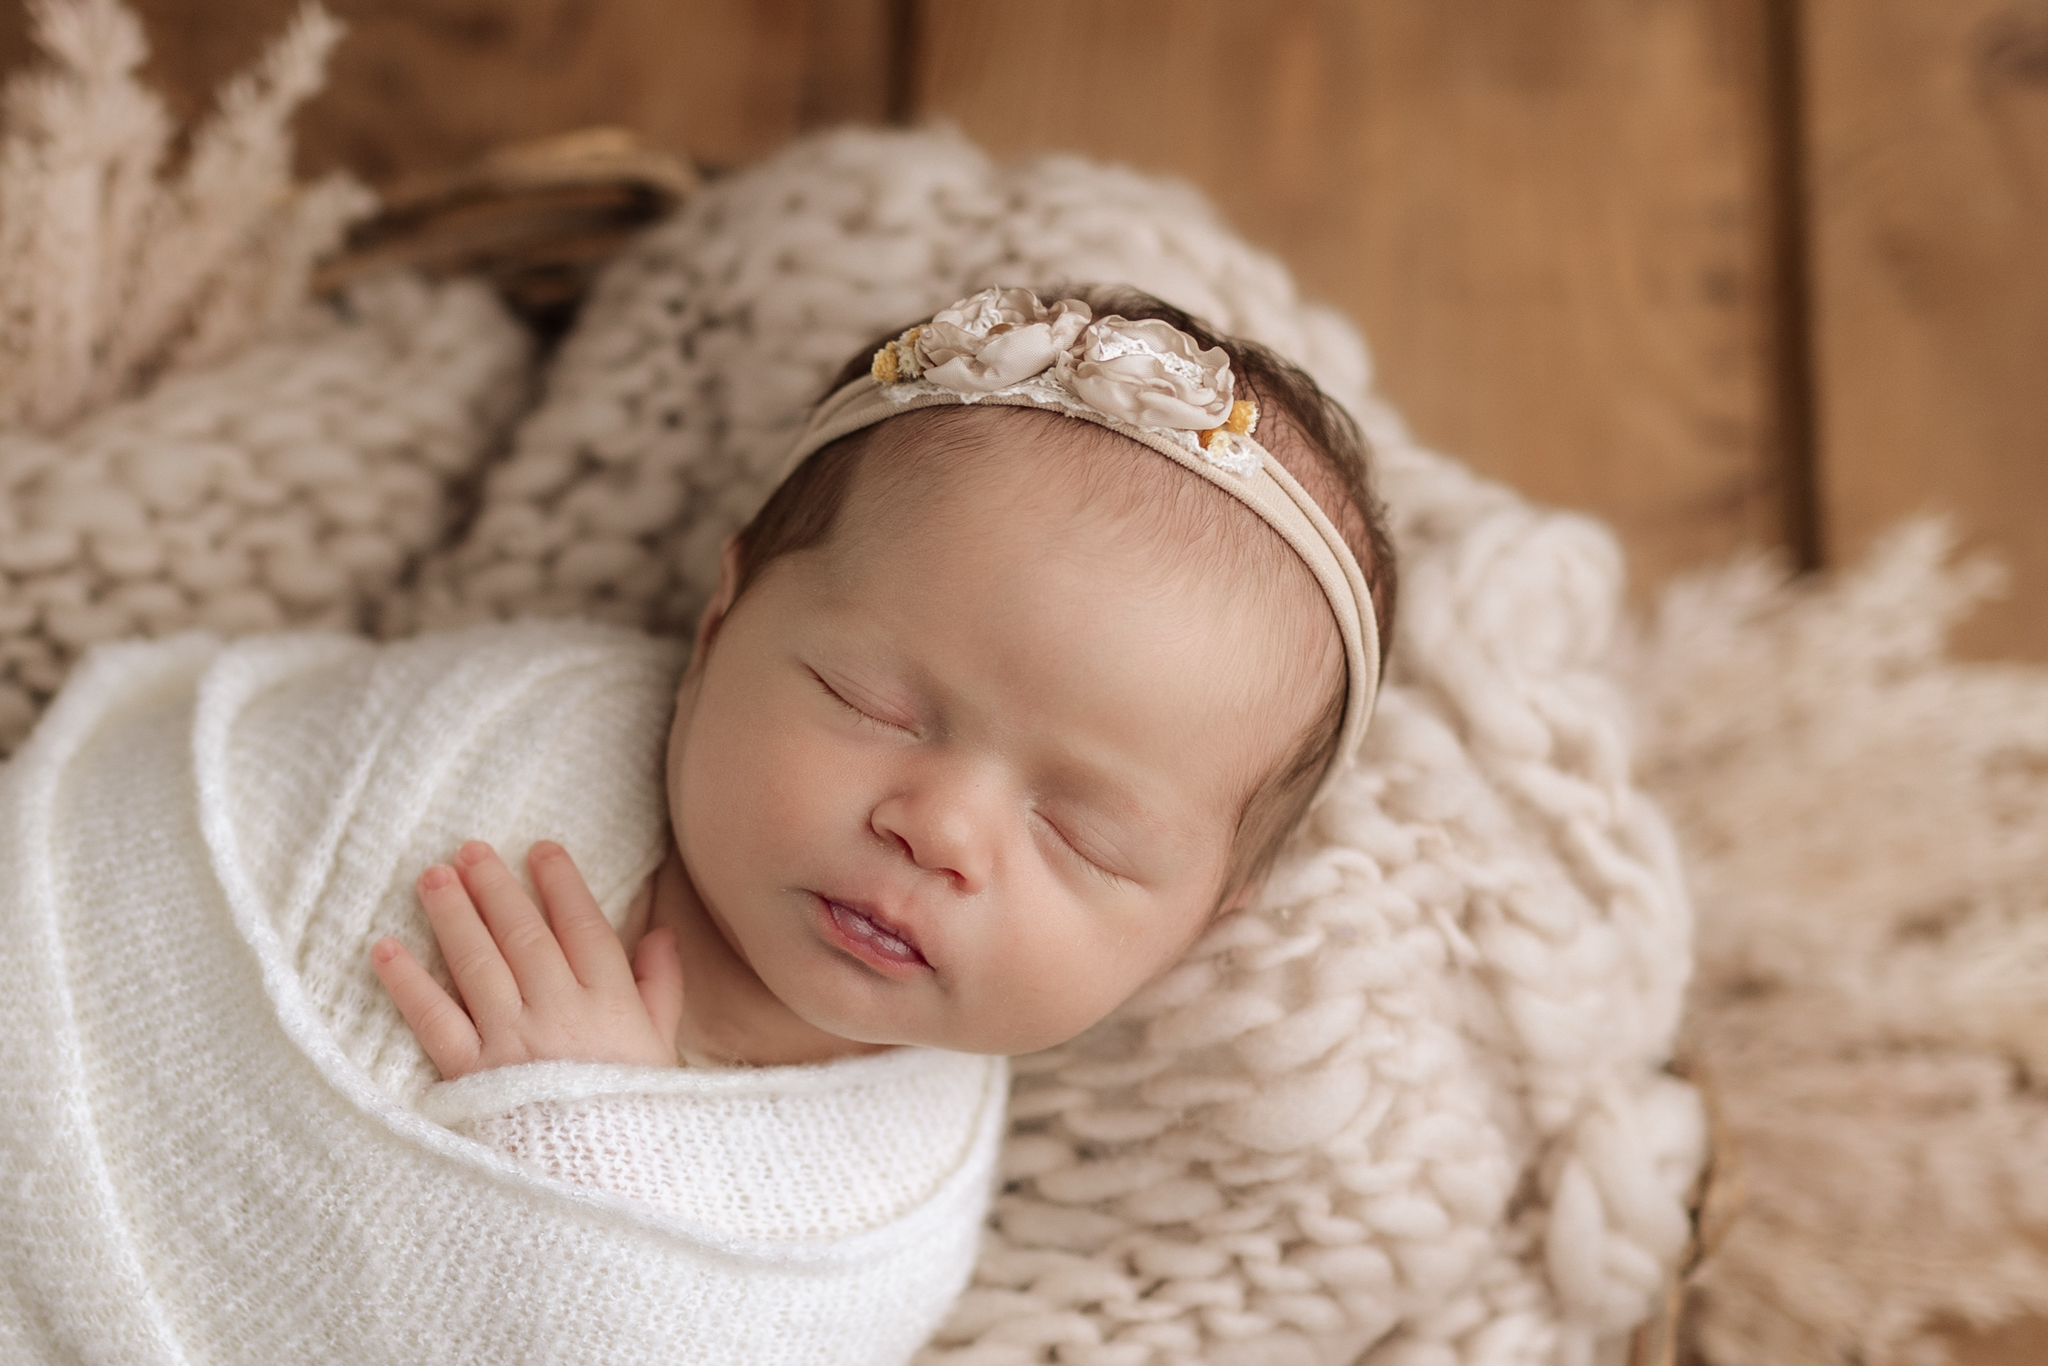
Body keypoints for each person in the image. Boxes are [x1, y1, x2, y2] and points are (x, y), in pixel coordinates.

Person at [371, 283, 1398, 1081]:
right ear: (717, 623)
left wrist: (579, 1149)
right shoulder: (505, 739)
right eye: (872, 705)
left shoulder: (893, 1193)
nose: (938, 832)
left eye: (1082, 835)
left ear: (1199, 924)